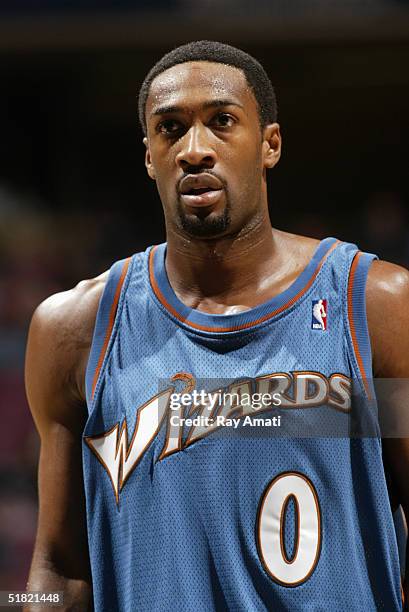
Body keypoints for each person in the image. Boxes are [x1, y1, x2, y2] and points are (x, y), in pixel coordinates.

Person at [25, 40, 409, 611]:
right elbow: (58, 567)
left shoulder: (377, 306)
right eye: (171, 129)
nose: (194, 149)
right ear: (150, 156)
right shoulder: (72, 330)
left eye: (222, 121)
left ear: (269, 145)